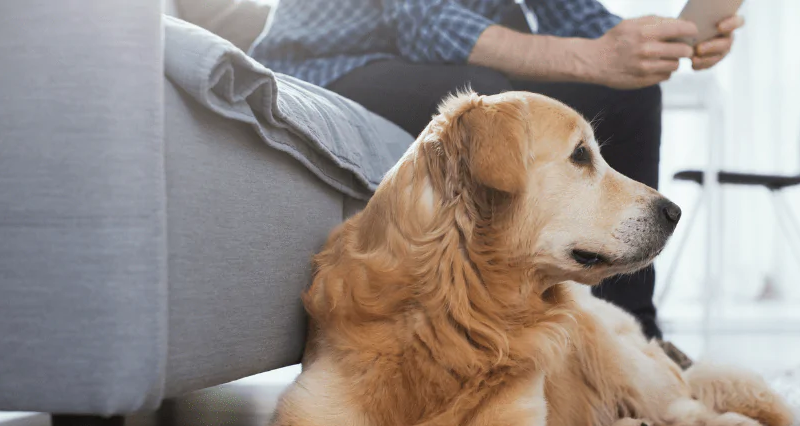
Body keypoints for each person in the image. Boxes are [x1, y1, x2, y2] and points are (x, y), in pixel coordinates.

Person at [250, 0, 742, 352]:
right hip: (323, 66)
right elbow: (427, 23)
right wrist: (596, 56)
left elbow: (580, 23)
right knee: (489, 102)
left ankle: (636, 335)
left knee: (631, 92)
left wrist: (656, 45)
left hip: (434, 60)